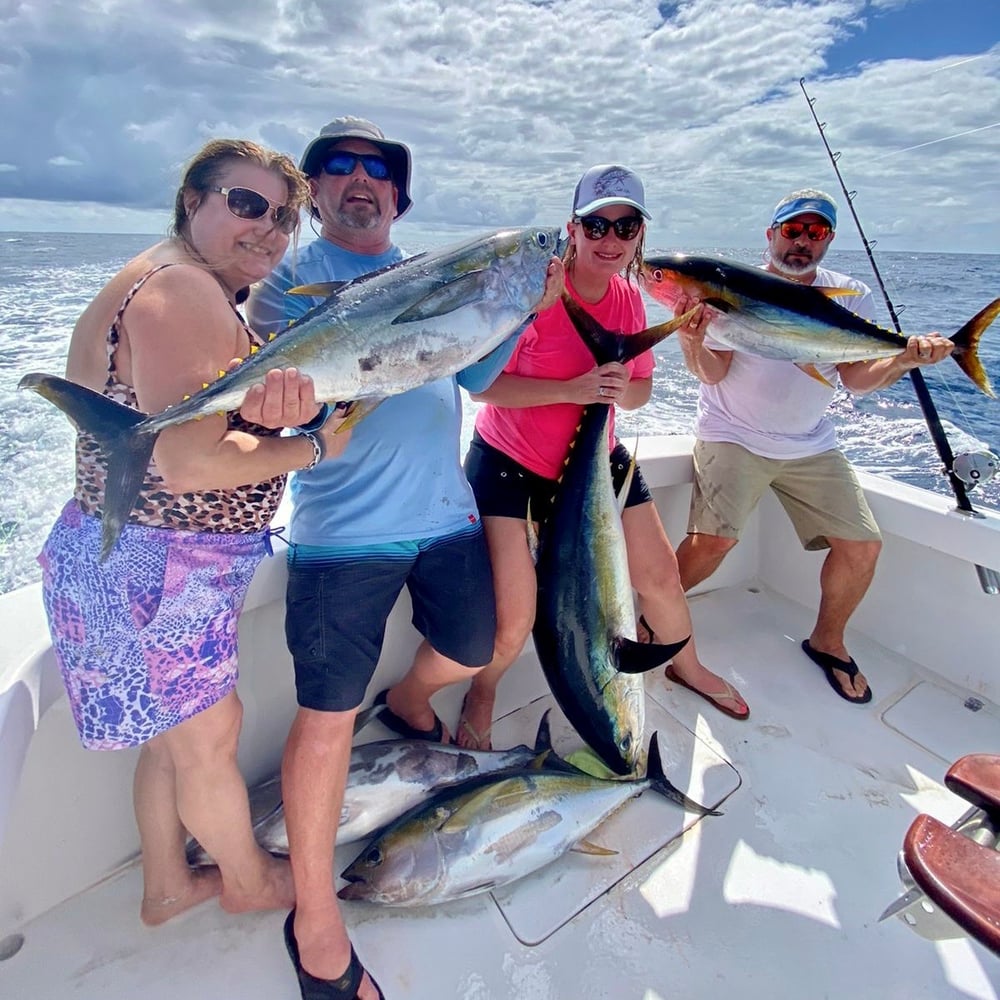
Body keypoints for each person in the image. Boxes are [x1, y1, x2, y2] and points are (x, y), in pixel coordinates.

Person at [246, 116, 561, 1000]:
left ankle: (413, 699)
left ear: (398, 192)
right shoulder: (287, 280)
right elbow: (278, 410)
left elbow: (474, 374)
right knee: (327, 717)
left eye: (377, 170)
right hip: (341, 534)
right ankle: (315, 922)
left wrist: (521, 305)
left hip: (445, 517)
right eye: (338, 167)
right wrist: (293, 415)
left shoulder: (448, 274)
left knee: (476, 647)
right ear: (313, 192)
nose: (359, 179)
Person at [36, 138, 353, 928]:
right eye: (246, 205)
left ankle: (167, 886)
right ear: (193, 201)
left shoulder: (166, 277)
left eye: (285, 217)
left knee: (170, 743)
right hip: (160, 567)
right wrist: (315, 447)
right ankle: (248, 884)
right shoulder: (184, 289)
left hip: (115, 555)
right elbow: (187, 464)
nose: (270, 231)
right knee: (211, 740)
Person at [455, 164, 749, 756]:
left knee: (662, 580)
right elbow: (481, 388)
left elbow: (639, 391)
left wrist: (612, 388)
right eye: (596, 225)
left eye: (626, 226)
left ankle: (685, 664)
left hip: (595, 460)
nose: (610, 240)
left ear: (640, 235)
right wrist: (576, 390)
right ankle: (482, 692)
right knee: (514, 621)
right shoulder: (530, 293)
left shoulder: (629, 303)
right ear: (573, 227)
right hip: (509, 462)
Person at [672, 188, 955, 704]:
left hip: (810, 444)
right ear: (771, 234)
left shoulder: (847, 293)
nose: (802, 241)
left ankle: (827, 640)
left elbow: (856, 380)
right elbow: (713, 374)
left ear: (827, 241)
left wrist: (904, 359)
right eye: (792, 230)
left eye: (816, 232)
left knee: (863, 546)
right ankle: (652, 622)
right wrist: (691, 339)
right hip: (732, 433)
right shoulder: (728, 289)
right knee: (712, 542)